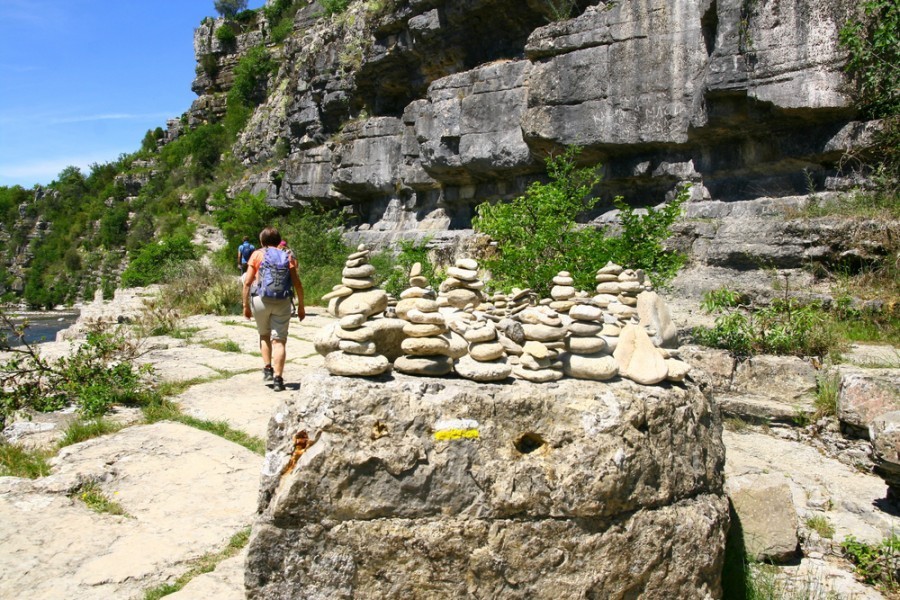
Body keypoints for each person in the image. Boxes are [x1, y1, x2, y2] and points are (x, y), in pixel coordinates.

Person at [242, 227, 306, 392]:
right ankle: (278, 379)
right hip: (283, 301)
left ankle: (268, 368)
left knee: (264, 335)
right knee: (279, 341)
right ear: (279, 241)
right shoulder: (287, 255)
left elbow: (248, 282)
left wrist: (245, 306)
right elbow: (297, 283)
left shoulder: (257, 254)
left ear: (262, 241)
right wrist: (301, 306)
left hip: (260, 300)